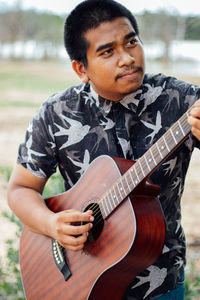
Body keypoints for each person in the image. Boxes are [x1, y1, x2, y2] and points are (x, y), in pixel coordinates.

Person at [7, 0, 200, 299]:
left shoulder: (181, 100)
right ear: (80, 69)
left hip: (159, 283)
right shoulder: (56, 113)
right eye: (108, 52)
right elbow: (20, 189)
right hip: (80, 281)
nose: (127, 58)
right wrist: (52, 224)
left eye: (132, 42)